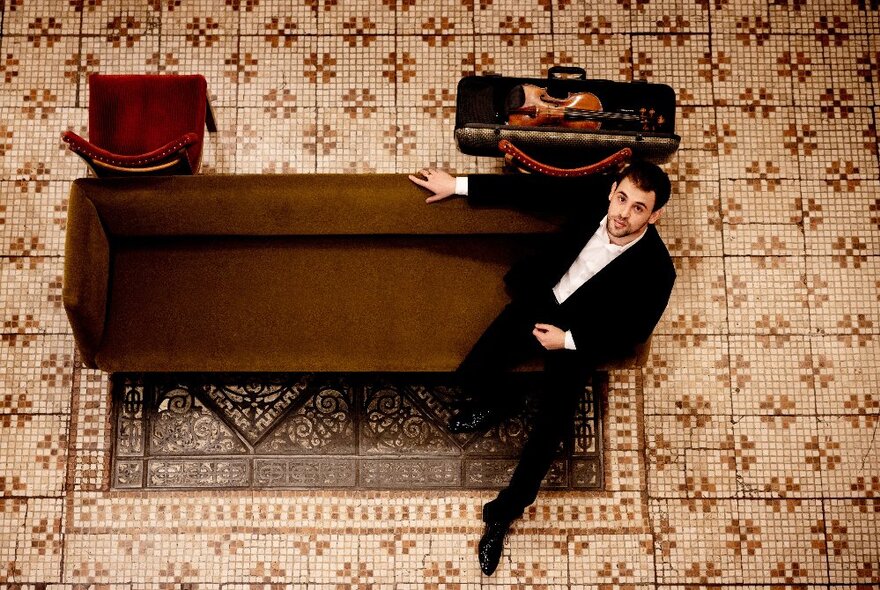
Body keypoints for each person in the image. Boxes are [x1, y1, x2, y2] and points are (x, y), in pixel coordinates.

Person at [408, 161, 676, 576]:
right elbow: (531, 192)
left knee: (548, 437)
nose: (623, 214)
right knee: (471, 374)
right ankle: (503, 401)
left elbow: (633, 332)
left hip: (579, 337)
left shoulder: (658, 271)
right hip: (541, 300)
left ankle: (501, 516)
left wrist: (567, 340)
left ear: (654, 215)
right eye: (621, 199)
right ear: (611, 192)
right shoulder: (595, 201)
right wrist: (457, 185)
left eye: (638, 208)